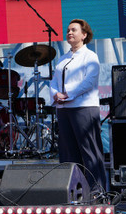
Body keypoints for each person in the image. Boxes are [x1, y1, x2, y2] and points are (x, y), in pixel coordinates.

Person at [49, 18, 106, 192]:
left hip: (84, 108)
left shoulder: (90, 56)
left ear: (84, 35)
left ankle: (97, 192)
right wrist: (55, 95)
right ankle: (74, 192)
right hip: (64, 110)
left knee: (89, 151)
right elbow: (54, 82)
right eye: (68, 30)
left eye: (74, 30)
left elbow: (89, 81)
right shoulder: (63, 58)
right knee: (68, 153)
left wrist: (68, 94)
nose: (70, 33)